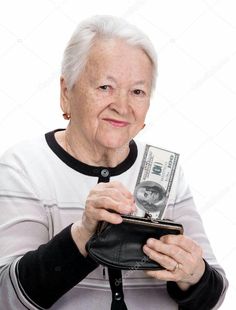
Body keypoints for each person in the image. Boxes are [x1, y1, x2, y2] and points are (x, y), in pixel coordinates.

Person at [0, 15, 228, 310]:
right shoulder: (24, 166)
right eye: (105, 87)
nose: (122, 106)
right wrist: (82, 235)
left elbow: (214, 294)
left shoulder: (160, 166)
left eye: (137, 91)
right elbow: (6, 297)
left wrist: (192, 274)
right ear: (67, 92)